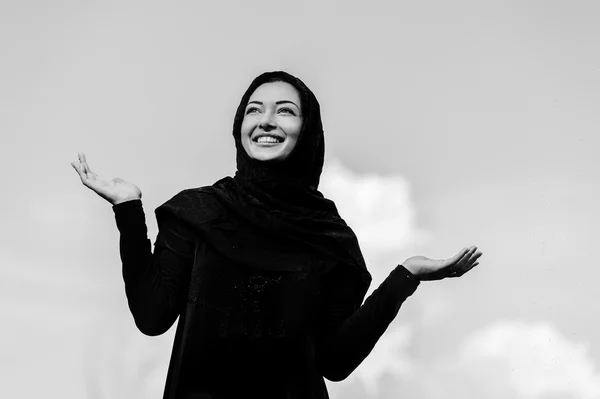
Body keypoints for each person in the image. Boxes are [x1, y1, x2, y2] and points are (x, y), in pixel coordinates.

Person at [71, 71, 482, 399]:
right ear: (240, 126)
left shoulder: (331, 240)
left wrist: (405, 277)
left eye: (285, 111)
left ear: (308, 131)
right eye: (254, 110)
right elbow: (152, 315)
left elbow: (334, 362)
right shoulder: (198, 212)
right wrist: (128, 209)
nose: (266, 120)